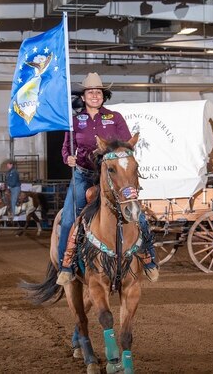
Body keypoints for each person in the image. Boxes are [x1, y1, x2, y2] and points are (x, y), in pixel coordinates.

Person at [56, 72, 158, 285]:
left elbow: (126, 146)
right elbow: (66, 148)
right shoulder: (74, 121)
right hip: (84, 175)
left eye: (98, 92)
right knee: (67, 219)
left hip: (115, 178)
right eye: (90, 92)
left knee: (138, 215)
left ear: (104, 95)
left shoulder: (115, 118)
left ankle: (149, 260)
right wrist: (69, 159)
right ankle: (65, 265)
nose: (95, 95)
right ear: (83, 97)